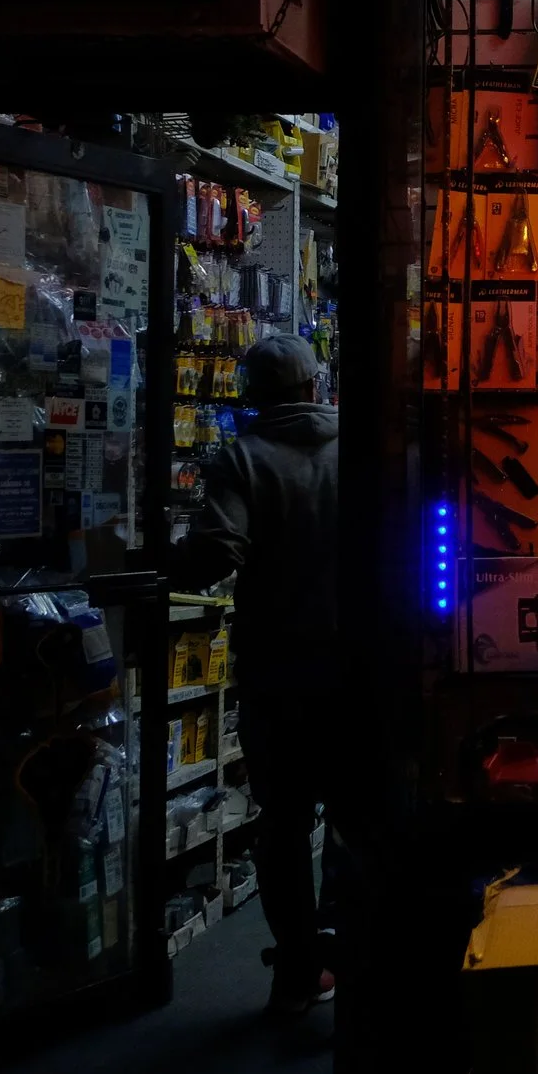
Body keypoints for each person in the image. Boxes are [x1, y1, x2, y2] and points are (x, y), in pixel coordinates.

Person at [175, 332, 344, 1014]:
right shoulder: (358, 447)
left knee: (284, 821)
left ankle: (300, 968)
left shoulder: (242, 457)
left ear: (252, 395)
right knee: (360, 816)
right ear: (313, 386)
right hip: (356, 665)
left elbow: (218, 551)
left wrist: (154, 560)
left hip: (278, 670)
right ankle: (351, 950)